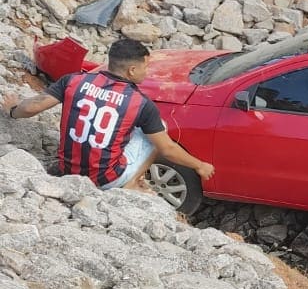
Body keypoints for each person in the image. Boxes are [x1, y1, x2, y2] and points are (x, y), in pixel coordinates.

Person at [2, 38, 213, 190]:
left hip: (68, 170)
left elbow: (32, 107)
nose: (146, 72)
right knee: (159, 132)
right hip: (106, 179)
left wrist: (11, 110)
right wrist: (200, 165)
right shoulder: (139, 102)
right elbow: (167, 150)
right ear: (131, 70)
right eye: (145, 67)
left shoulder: (74, 81)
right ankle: (131, 183)